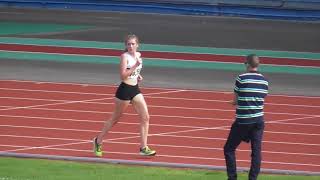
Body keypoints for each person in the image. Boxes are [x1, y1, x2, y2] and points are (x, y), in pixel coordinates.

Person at [93, 34, 156, 157]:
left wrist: (137, 75)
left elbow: (133, 72)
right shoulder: (124, 57)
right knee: (115, 118)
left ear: (137, 45)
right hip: (124, 91)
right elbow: (122, 76)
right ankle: (98, 140)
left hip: (135, 89)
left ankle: (143, 148)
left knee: (145, 117)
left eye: (133, 44)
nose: (131, 46)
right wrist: (135, 66)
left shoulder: (138, 55)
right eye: (128, 44)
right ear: (126, 46)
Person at [224, 54, 268, 180]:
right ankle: (253, 178)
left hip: (243, 120)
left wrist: (234, 102)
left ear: (248, 64)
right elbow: (261, 98)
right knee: (256, 152)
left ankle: (232, 177)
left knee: (229, 148)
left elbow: (236, 99)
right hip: (259, 120)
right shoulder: (264, 80)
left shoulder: (241, 78)